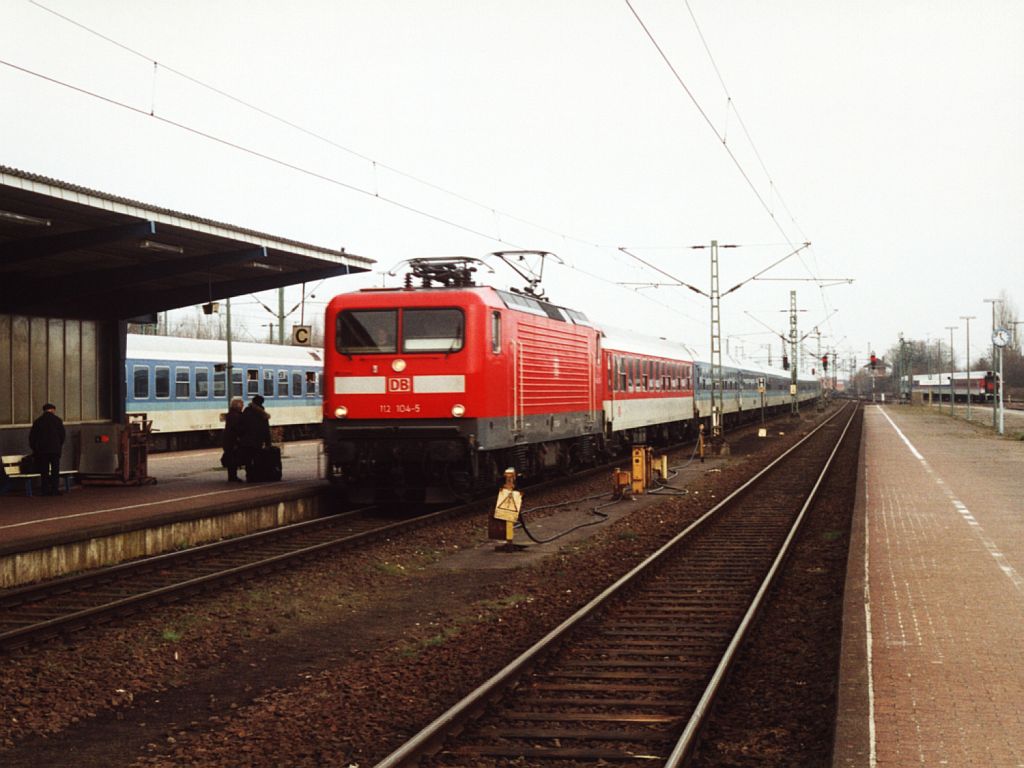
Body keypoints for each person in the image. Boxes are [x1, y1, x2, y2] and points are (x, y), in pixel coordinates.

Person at [29, 403, 66, 496]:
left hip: (42, 451)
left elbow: (32, 437)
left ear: (44, 410)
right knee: (55, 470)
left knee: (44, 471)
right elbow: (62, 435)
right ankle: (54, 489)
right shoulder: (57, 420)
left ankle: (44, 490)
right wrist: (59, 445)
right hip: (55, 450)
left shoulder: (38, 421)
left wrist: (35, 448)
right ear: (53, 410)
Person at [238, 394, 272, 477]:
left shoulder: (247, 411)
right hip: (258, 440)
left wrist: (241, 437)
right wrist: (268, 442)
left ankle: (249, 475)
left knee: (248, 459)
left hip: (246, 440)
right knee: (257, 458)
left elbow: (241, 425)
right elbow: (265, 429)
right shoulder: (263, 413)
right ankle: (256, 475)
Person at [221, 398, 245, 482]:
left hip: (228, 440)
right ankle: (232, 477)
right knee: (233, 458)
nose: (243, 406)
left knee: (231, 458)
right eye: (242, 405)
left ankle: (232, 476)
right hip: (233, 440)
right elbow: (236, 428)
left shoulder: (231, 414)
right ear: (237, 406)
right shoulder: (236, 415)